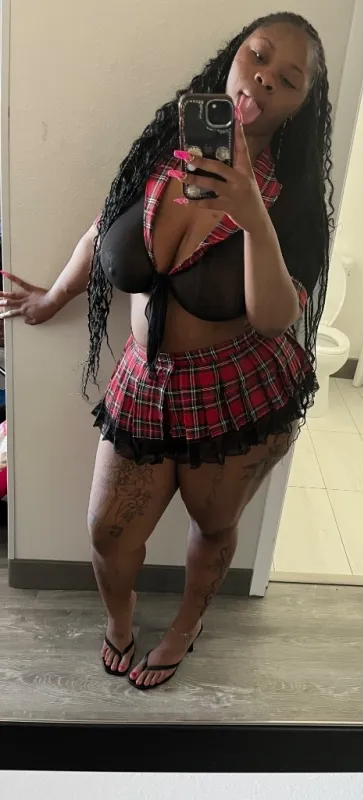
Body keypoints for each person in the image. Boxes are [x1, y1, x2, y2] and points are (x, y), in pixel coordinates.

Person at [0, 12, 333, 690]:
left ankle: (185, 625)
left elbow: (276, 318)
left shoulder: (292, 200)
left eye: (289, 78)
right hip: (143, 382)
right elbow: (103, 229)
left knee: (213, 525)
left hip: (236, 391)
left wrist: (252, 216)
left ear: (300, 105)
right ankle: (120, 622)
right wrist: (52, 299)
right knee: (108, 534)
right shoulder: (167, 149)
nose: (265, 78)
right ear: (233, 58)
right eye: (257, 56)